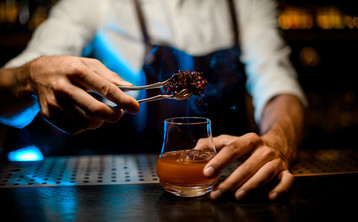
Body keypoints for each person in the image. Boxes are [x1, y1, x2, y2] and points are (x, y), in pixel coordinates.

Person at [0, 0, 306, 201]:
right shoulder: (93, 3)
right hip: (119, 198)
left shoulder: (247, 4)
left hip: (220, 189)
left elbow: (278, 84)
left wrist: (279, 139)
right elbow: (11, 85)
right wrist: (29, 76)